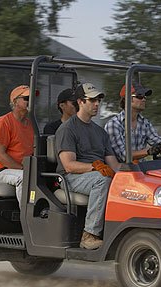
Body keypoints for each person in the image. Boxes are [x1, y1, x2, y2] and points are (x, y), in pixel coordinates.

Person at [55, 83, 120, 250]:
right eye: (92, 100)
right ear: (80, 102)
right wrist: (95, 166)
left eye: (98, 100)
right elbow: (69, 165)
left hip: (95, 174)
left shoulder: (100, 132)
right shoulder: (67, 129)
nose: (97, 104)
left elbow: (113, 165)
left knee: (122, 182)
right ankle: (89, 235)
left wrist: (131, 171)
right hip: (70, 178)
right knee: (102, 180)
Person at [0, 85, 37, 204]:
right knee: (24, 177)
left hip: (25, 169)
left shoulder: (31, 124)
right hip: (2, 171)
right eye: (27, 98)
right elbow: (0, 155)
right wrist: (23, 168)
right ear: (15, 101)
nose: (31, 101)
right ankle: (27, 220)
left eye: (33, 98)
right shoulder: (3, 122)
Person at [104, 83, 161, 163]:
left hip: (141, 169)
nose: (144, 99)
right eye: (140, 96)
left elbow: (159, 142)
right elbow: (124, 156)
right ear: (126, 99)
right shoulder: (114, 125)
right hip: (122, 171)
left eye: (144, 97)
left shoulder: (145, 123)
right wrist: (149, 151)